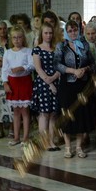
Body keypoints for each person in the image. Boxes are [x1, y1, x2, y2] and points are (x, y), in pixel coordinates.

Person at [55, 18, 94, 158]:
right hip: (67, 85)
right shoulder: (61, 46)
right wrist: (73, 71)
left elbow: (92, 62)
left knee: (80, 115)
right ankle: (67, 147)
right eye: (70, 30)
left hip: (81, 85)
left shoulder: (84, 44)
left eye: (75, 30)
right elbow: (57, 65)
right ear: (66, 31)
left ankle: (78, 147)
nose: (72, 33)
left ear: (79, 30)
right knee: (67, 115)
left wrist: (85, 69)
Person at [2, 26, 33, 146]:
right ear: (11, 39)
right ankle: (16, 137)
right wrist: (5, 83)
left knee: (25, 111)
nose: (17, 40)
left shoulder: (27, 51)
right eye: (14, 38)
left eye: (19, 37)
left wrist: (22, 68)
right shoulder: (8, 52)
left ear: (23, 38)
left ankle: (25, 137)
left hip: (25, 81)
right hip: (13, 83)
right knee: (15, 112)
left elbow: (32, 65)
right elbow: (4, 69)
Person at [32, 22, 61, 151]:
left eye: (50, 33)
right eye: (46, 33)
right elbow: (38, 68)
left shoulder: (57, 48)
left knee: (54, 114)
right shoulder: (37, 49)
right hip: (43, 83)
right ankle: (44, 142)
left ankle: (51, 141)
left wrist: (54, 79)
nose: (48, 35)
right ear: (41, 34)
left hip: (55, 80)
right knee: (44, 114)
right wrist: (49, 83)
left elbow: (60, 67)